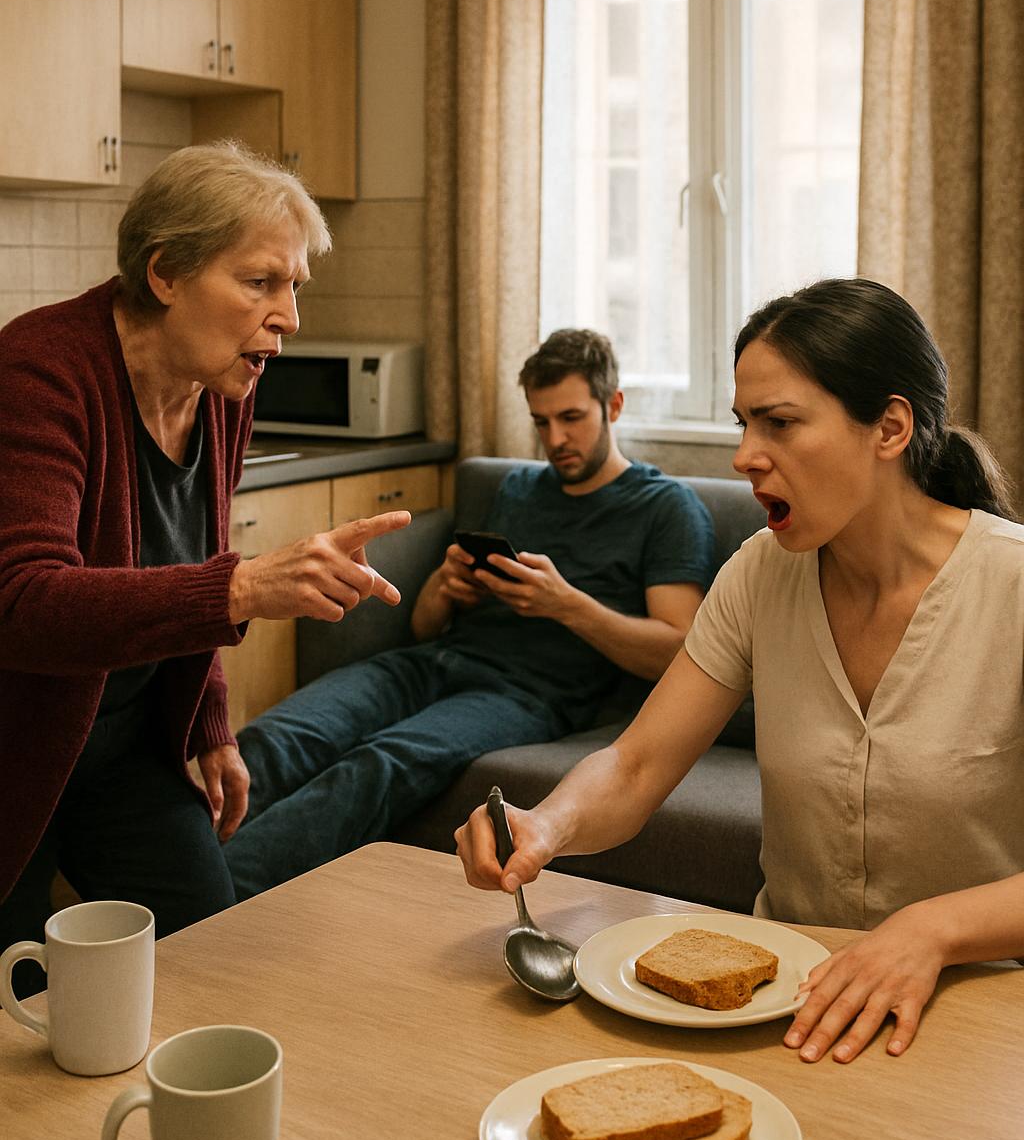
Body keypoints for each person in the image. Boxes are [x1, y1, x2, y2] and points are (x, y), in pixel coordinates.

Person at [456, 278, 1024, 1065]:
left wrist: (932, 929)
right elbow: (636, 764)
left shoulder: (1013, 585)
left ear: (890, 428)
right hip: (787, 999)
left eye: (779, 423)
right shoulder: (760, 572)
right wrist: (546, 825)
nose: (745, 456)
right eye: (744, 423)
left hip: (977, 1012)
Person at [0, 142, 409, 972]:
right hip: (17, 746)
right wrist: (246, 588)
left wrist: (211, 721)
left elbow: (193, 552)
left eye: (294, 286)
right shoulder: (38, 373)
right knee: (18, 1009)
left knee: (209, 960)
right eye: (260, 282)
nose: (289, 317)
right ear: (165, 274)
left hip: (126, 743)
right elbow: (24, 605)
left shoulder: (222, 387)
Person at [225, 329, 716, 899]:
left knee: (379, 764)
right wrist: (445, 584)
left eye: (572, 418)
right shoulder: (518, 488)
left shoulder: (666, 507)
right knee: (274, 738)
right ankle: (176, 882)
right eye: (540, 422)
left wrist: (566, 605)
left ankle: (214, 899)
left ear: (614, 406)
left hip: (526, 693)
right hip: (432, 662)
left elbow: (677, 653)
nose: (555, 439)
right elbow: (423, 626)